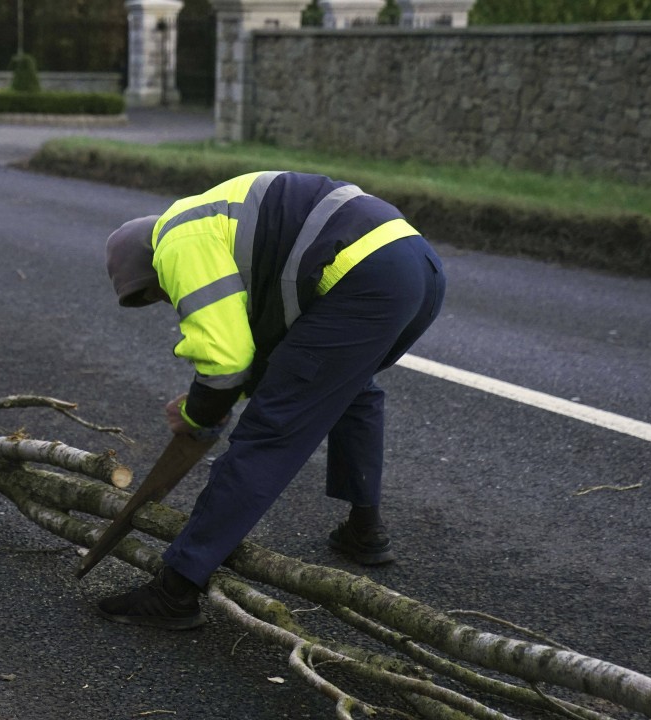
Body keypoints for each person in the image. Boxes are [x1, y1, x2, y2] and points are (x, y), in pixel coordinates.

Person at [99, 170, 445, 630]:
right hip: (417, 264)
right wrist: (216, 396)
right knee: (352, 390)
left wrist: (199, 415)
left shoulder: (177, 239)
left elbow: (225, 359)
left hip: (363, 278)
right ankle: (365, 531)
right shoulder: (223, 225)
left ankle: (175, 590)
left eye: (156, 291)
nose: (165, 298)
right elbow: (267, 355)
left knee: (270, 432)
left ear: (151, 262)